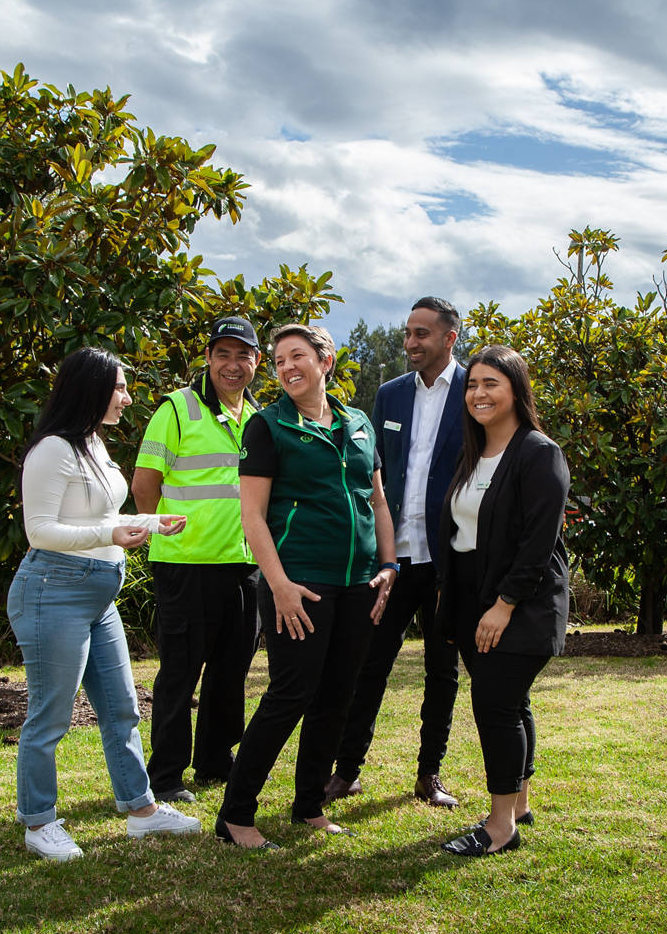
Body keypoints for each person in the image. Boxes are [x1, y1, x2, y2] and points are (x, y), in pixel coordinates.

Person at [8, 347, 202, 861]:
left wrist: (148, 523)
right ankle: (38, 822)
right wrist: (112, 529)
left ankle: (141, 811)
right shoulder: (52, 449)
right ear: (89, 389)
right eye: (118, 386)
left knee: (121, 709)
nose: (127, 395)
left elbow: (100, 514)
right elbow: (41, 530)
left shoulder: (92, 444)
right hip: (54, 589)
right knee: (51, 717)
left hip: (99, 593)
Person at [216, 324, 399, 849]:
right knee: (289, 694)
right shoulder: (268, 426)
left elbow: (377, 501)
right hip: (300, 583)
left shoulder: (359, 422)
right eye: (278, 361)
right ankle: (235, 815)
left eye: (297, 356)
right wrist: (279, 586)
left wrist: (388, 565)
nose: (286, 367)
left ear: (326, 361)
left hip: (359, 583)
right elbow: (252, 517)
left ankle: (308, 804)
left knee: (338, 694)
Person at [325, 296, 466, 809]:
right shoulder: (388, 395)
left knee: (441, 670)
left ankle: (430, 775)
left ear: (449, 337)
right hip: (394, 558)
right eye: (408, 332)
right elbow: (376, 473)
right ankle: (345, 772)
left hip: (449, 559)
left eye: (421, 334)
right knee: (369, 664)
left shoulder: (473, 390)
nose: (410, 342)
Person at [435, 345, 570, 856]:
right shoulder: (473, 454)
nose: (478, 393)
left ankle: (499, 827)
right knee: (512, 703)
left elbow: (538, 543)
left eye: (491, 383)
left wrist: (504, 604)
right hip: (472, 594)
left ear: (516, 389)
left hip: (521, 600)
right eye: (472, 385)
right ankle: (519, 804)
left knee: (495, 706)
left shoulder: (539, 453)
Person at [131, 317, 263, 804]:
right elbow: (144, 483)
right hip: (185, 565)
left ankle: (213, 760)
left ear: (256, 363)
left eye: (242, 355)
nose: (233, 365)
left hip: (242, 565)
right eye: (223, 354)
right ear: (207, 358)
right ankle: (165, 774)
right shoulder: (178, 409)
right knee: (181, 672)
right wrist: (158, 532)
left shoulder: (256, 416)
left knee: (231, 670)